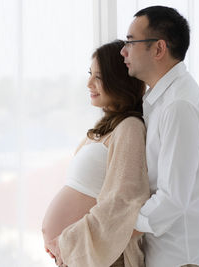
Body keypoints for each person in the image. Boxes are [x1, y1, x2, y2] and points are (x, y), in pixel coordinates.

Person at [119, 6, 199, 267]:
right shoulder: (162, 100)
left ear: (158, 49)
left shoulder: (179, 106)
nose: (123, 51)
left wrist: (118, 229)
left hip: (185, 258)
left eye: (131, 42)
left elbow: (172, 198)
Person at [43, 40, 150, 267]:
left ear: (119, 80)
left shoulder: (130, 127)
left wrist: (68, 242)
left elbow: (124, 202)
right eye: (90, 74)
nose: (89, 83)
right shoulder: (106, 128)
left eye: (98, 77)